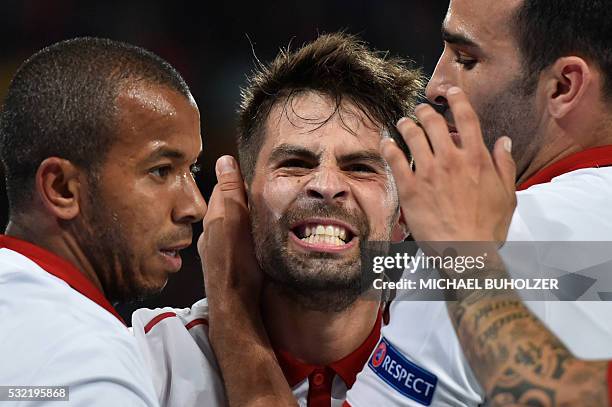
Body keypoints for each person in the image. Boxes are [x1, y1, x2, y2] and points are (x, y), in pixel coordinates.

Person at [198, 0, 612, 406]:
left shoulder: (487, 247)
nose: (434, 86)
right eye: (295, 163)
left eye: (466, 59)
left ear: (563, 86)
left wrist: (232, 301)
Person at [130, 32, 424, 406]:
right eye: (296, 164)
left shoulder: (449, 360)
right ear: (240, 199)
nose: (326, 184)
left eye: (360, 167)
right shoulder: (151, 362)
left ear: (403, 217)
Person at [0, 37, 206, 405]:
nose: (195, 205)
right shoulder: (83, 363)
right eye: (161, 170)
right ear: (62, 188)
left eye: (192, 169)